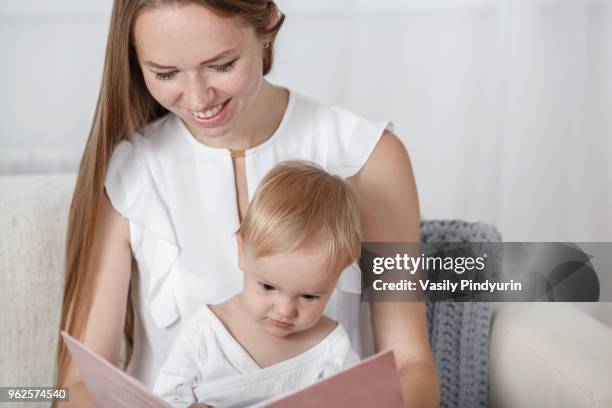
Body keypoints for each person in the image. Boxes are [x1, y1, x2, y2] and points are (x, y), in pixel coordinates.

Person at [55, 1, 440, 407]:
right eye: (165, 73)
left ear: (268, 23)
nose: (198, 98)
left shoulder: (369, 157)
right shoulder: (128, 171)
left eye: (221, 65)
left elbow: (409, 364)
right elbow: (76, 384)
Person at [154, 160, 361, 407]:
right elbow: (163, 400)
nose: (285, 310)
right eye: (268, 287)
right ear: (242, 251)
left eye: (309, 296)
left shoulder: (332, 351)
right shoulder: (206, 334)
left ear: (341, 270)